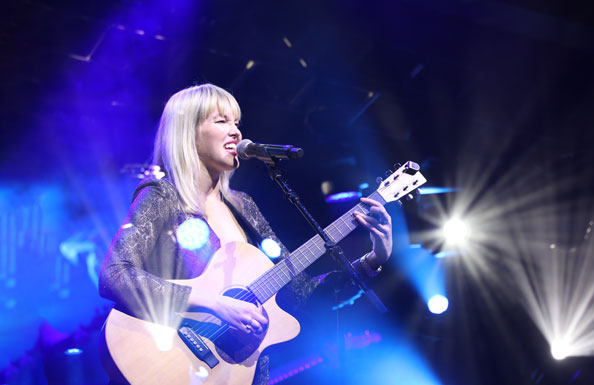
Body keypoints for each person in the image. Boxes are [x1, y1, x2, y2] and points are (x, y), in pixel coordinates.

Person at [98, 83, 392, 384]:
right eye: (221, 121)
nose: (236, 132)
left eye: (236, 123)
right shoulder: (162, 196)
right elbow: (114, 275)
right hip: (165, 362)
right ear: (189, 132)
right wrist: (215, 303)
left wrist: (373, 259)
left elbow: (305, 295)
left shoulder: (244, 207)